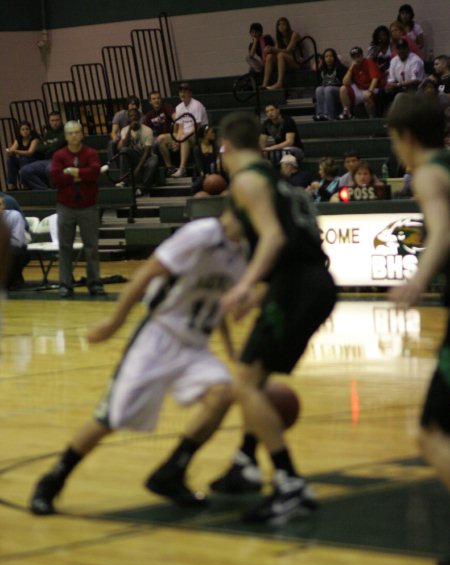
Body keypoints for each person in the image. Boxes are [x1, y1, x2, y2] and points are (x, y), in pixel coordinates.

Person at [29, 209, 247, 515]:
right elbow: (147, 273)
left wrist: (231, 351)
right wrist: (115, 322)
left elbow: (216, 301)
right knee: (109, 420)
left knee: (223, 393)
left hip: (194, 345)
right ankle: (52, 481)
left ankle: (171, 472)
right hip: (158, 337)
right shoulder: (202, 234)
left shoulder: (243, 252)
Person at [210, 112, 336, 523]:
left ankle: (289, 483)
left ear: (225, 147)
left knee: (245, 381)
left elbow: (276, 238)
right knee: (254, 378)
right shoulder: (273, 181)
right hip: (306, 282)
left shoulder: (248, 181)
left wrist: (247, 285)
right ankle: (246, 462)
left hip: (298, 285)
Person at [387, 95, 450, 565]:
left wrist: (416, 279)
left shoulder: (428, 173)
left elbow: (443, 234)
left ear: (405, 137)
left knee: (431, 432)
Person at [50, 121, 105, 298]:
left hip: (88, 207)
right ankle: (65, 284)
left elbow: (95, 172)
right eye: (71, 133)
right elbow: (56, 177)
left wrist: (73, 172)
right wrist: (82, 174)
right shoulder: (59, 155)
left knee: (92, 247)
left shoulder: (91, 153)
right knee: (65, 247)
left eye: (77, 132)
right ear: (66, 136)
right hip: (65, 207)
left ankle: (95, 283)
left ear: (82, 134)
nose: (74, 135)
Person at [116, 108, 159, 196]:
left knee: (154, 158)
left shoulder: (147, 130)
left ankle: (143, 188)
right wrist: (129, 129)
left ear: (139, 117)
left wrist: (137, 169)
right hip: (134, 156)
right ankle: (124, 181)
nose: (133, 117)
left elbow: (147, 153)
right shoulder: (125, 130)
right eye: (131, 116)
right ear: (128, 118)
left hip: (145, 156)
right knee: (124, 150)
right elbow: (125, 145)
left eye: (135, 115)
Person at [20, 111, 65, 189]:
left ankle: (55, 192)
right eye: (52, 120)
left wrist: (47, 145)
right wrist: (50, 146)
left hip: (59, 160)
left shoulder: (65, 132)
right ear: (49, 121)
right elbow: (39, 148)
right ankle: (45, 190)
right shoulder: (48, 133)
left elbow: (57, 146)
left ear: (61, 120)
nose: (55, 123)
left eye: (57, 120)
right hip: (46, 160)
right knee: (24, 171)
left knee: (50, 169)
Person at [172, 83, 208, 178]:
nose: (182, 94)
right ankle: (169, 167)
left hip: (199, 135)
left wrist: (182, 138)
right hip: (186, 135)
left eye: (185, 92)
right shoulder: (179, 107)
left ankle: (182, 168)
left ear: (190, 93)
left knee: (184, 138)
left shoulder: (196, 105)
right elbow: (180, 127)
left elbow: (197, 127)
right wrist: (177, 139)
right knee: (161, 139)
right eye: (180, 92)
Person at [339, 47, 383, 120]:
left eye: (358, 56)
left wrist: (370, 91)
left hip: (372, 89)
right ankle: (347, 114)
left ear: (362, 55)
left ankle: (372, 119)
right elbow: (345, 82)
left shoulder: (369, 62)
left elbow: (375, 79)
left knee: (367, 97)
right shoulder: (353, 66)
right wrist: (350, 69)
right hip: (360, 90)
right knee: (343, 89)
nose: (357, 58)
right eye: (354, 57)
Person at [261, 17, 302, 91]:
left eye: (283, 24)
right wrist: (269, 49)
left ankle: (279, 83)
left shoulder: (294, 34)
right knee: (270, 56)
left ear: (288, 25)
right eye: (279, 24)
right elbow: (276, 51)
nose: (281, 26)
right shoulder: (279, 37)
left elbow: (288, 50)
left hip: (296, 61)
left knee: (281, 55)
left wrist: (274, 49)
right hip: (284, 62)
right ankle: (264, 84)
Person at [142, 90, 176, 175]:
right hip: (159, 138)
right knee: (151, 143)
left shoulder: (166, 107)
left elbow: (177, 120)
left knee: (159, 140)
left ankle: (169, 167)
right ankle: (154, 170)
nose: (156, 100)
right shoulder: (149, 115)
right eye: (153, 99)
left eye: (158, 98)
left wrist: (176, 137)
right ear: (150, 101)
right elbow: (145, 130)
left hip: (172, 135)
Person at [0, 195, 29, 289]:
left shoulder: (14, 215)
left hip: (18, 250)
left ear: (4, 205)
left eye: (0, 204)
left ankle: (13, 280)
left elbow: (18, 241)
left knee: (12, 251)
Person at [313, 48, 347, 121]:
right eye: (326, 56)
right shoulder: (321, 70)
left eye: (331, 56)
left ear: (334, 57)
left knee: (328, 89)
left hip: (340, 92)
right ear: (324, 59)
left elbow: (346, 83)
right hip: (327, 92)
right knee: (319, 89)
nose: (329, 58)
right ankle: (320, 114)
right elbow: (318, 84)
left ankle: (329, 116)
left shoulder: (341, 68)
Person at [5, 121, 40, 190]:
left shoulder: (34, 139)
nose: (25, 131)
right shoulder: (18, 139)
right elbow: (12, 149)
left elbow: (30, 152)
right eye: (23, 129)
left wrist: (15, 151)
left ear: (30, 130)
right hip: (23, 161)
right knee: (10, 160)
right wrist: (9, 151)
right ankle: (13, 185)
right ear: (20, 131)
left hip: (34, 160)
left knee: (23, 159)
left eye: (27, 129)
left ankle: (26, 184)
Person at [107, 95, 141, 163]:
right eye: (132, 104)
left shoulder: (141, 115)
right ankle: (112, 165)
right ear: (127, 105)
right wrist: (115, 138)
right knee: (111, 143)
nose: (134, 107)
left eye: (135, 105)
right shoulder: (119, 115)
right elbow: (114, 131)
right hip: (121, 137)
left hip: (136, 137)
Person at [192, 125, 221, 194]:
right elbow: (199, 166)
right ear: (205, 134)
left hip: (216, 173)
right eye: (211, 132)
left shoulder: (216, 146)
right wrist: (205, 175)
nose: (214, 134)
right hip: (204, 174)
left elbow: (219, 161)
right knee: (196, 186)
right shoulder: (197, 149)